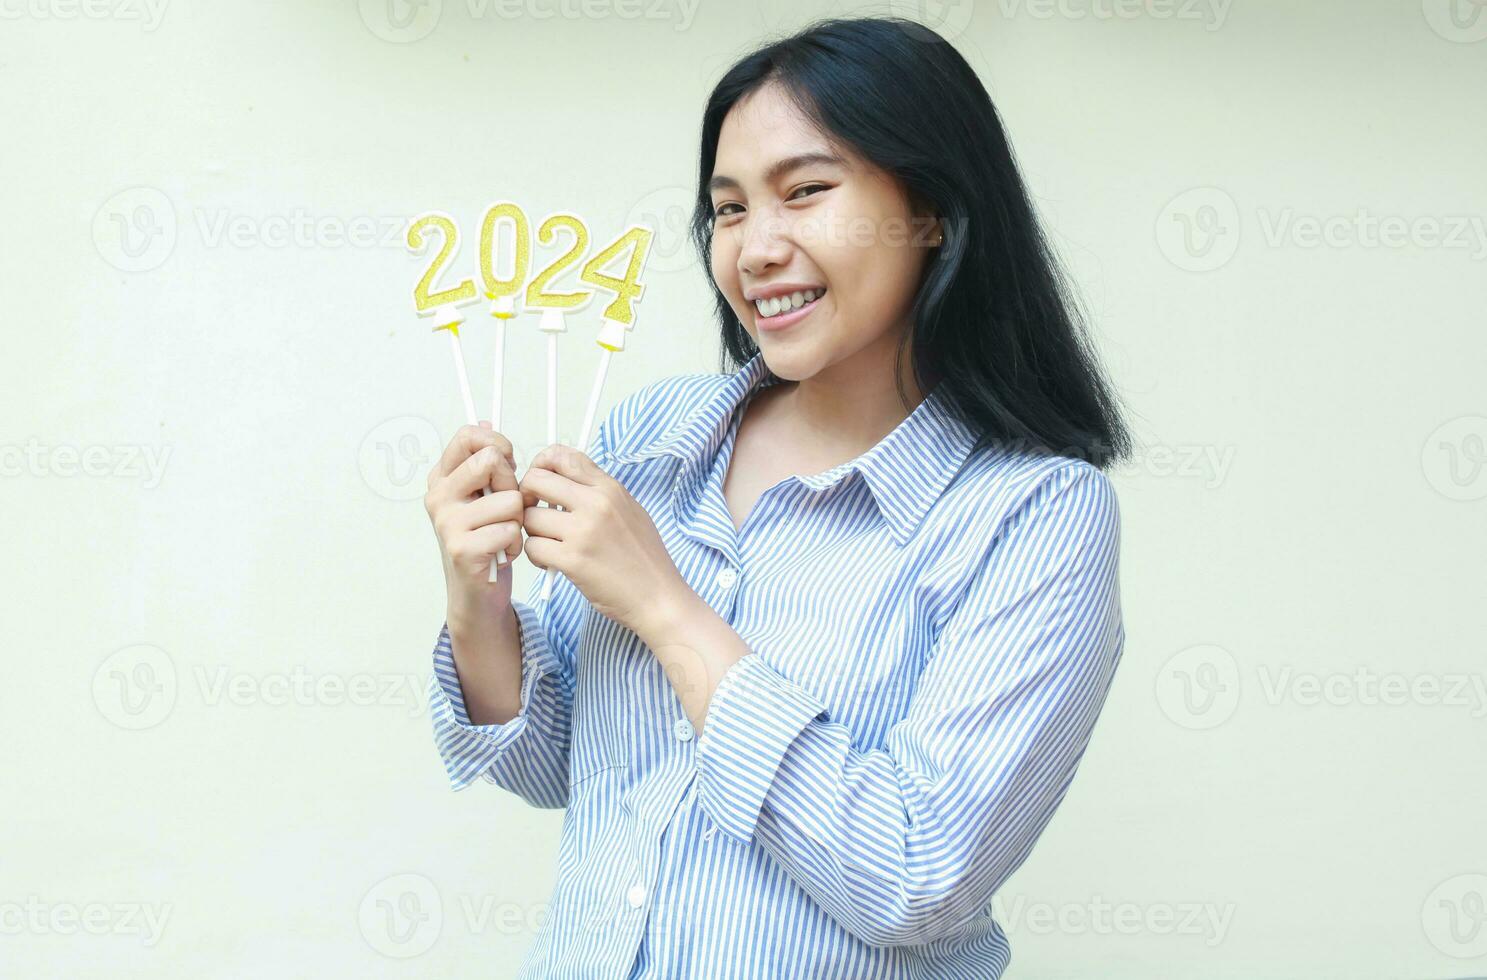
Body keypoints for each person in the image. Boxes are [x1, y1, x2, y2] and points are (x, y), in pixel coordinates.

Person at [422, 15, 1132, 978]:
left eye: (804, 192)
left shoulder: (1031, 515)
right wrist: (480, 599)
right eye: (727, 209)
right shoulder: (648, 439)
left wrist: (666, 608)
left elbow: (918, 875)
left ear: (931, 210)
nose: (755, 249)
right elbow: (554, 768)